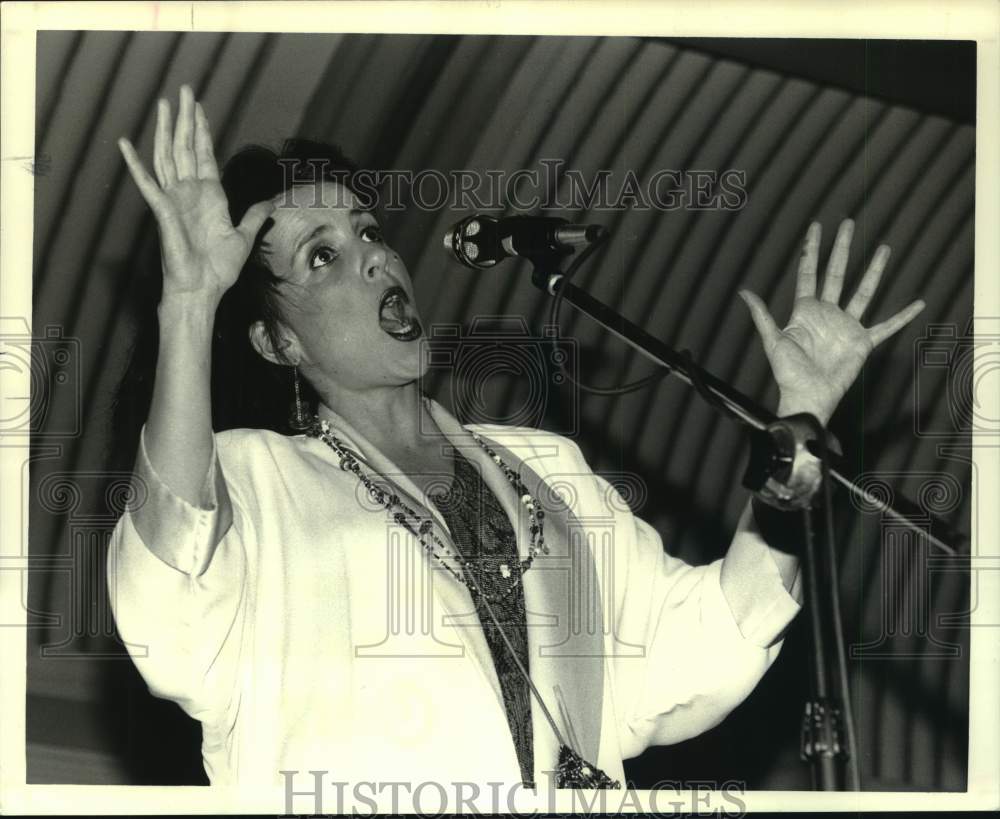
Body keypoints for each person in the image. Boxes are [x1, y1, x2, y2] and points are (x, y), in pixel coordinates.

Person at [107, 85, 926, 790]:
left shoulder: (546, 468)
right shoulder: (252, 482)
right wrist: (188, 302)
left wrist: (801, 410)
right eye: (321, 257)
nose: (370, 259)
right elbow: (166, 588)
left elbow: (701, 640)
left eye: (367, 231)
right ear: (276, 342)